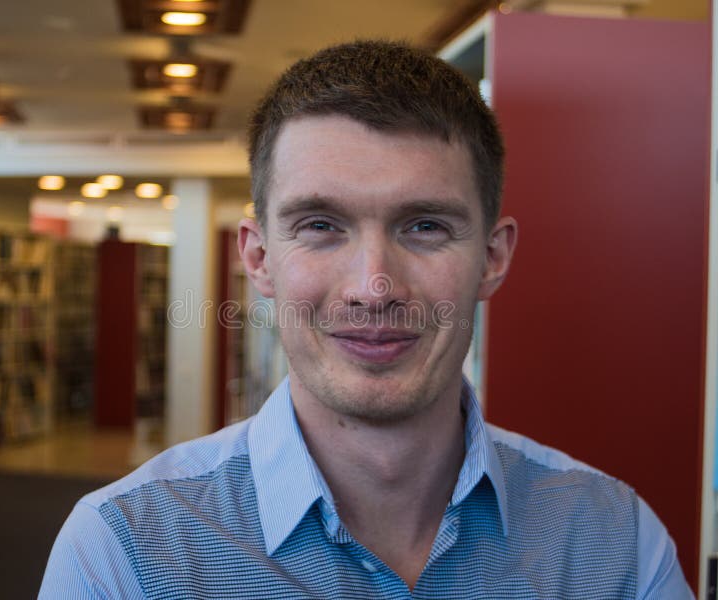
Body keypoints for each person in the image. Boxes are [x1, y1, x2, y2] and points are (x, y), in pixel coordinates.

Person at [39, 40, 692, 599]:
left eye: (426, 226)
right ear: (259, 259)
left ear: (492, 259)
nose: (374, 287)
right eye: (321, 226)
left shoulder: (618, 545)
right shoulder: (123, 554)